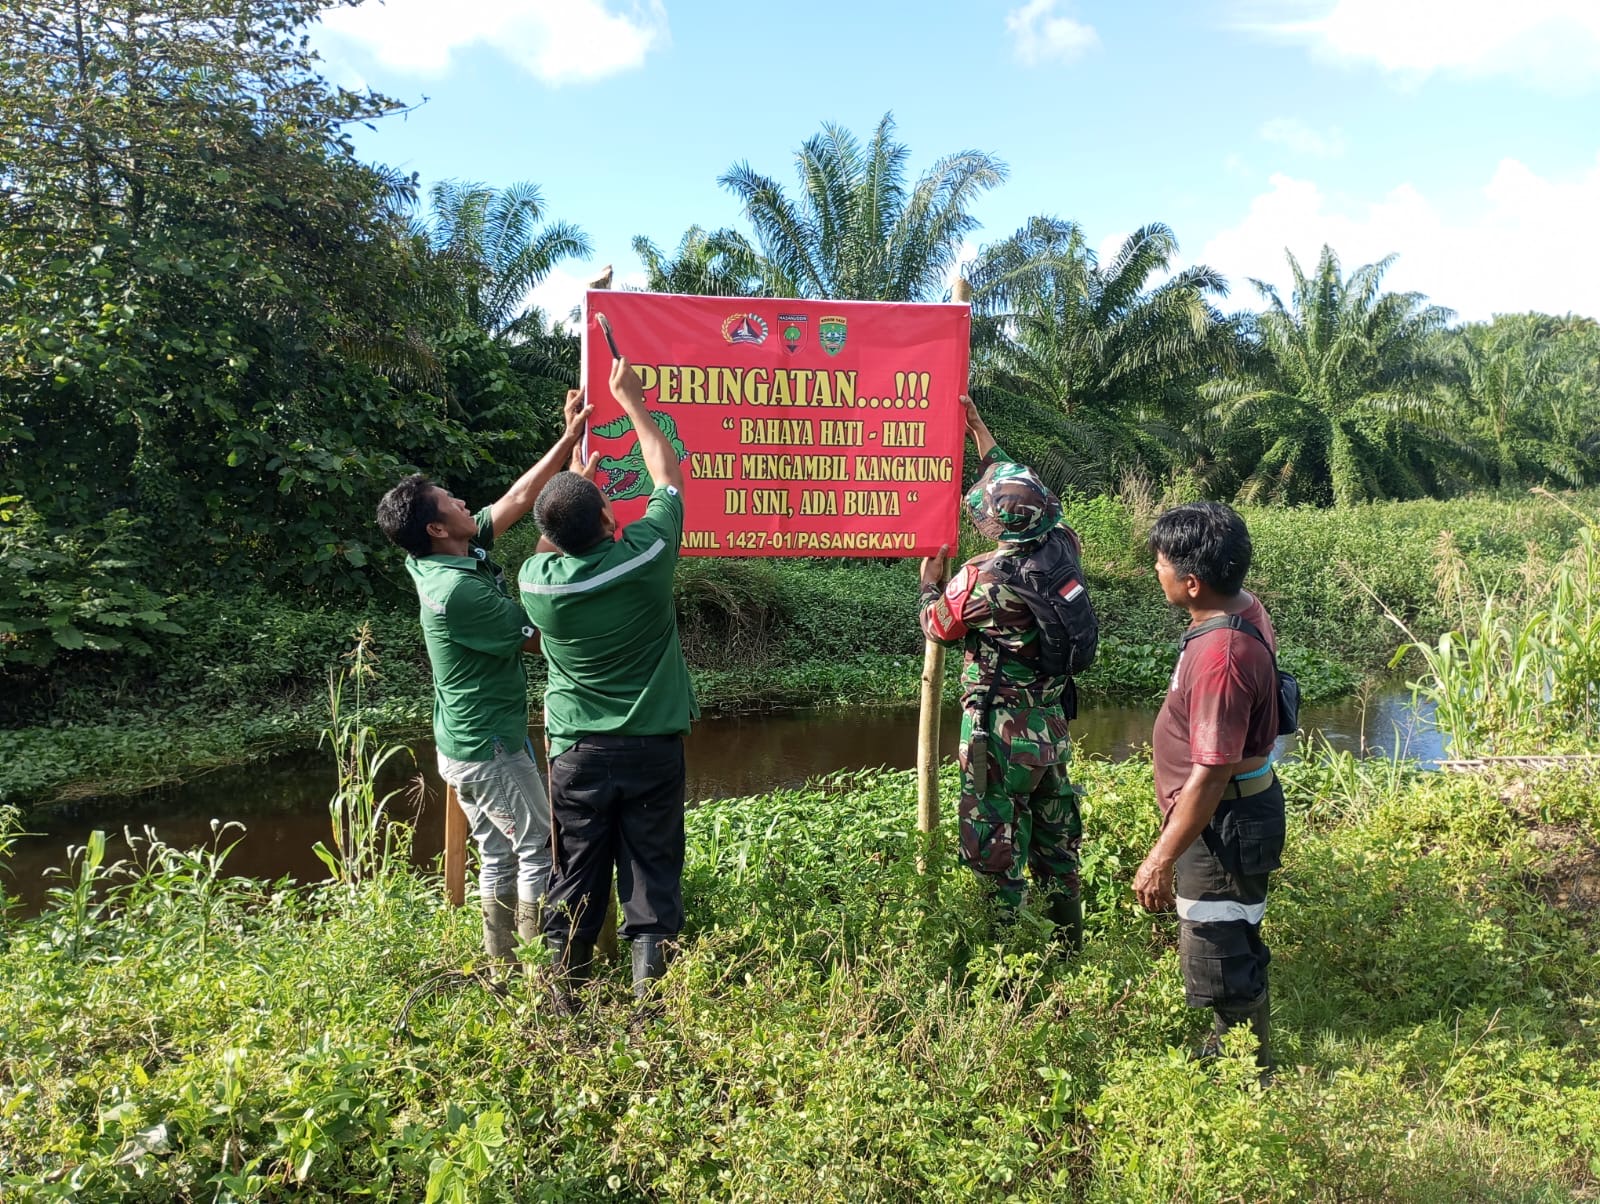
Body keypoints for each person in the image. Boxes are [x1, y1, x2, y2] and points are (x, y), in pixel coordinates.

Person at [375, 391, 591, 971]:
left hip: (471, 738)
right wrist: (566, 516)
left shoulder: (441, 556)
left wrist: (568, 444)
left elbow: (519, 499)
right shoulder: (460, 592)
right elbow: (535, 633)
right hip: (489, 745)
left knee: (497, 853)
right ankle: (540, 973)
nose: (465, 500)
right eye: (451, 499)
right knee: (538, 846)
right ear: (437, 526)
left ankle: (501, 968)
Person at [518, 352, 697, 1005]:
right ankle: (650, 1004)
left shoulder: (537, 582)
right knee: (652, 871)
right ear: (607, 521)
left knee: (577, 871)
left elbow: (550, 536)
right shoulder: (646, 554)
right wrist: (634, 403)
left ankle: (564, 998)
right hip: (651, 746)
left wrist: (571, 484)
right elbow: (667, 471)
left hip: (578, 754)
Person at [918, 395, 1085, 947]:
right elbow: (1015, 483)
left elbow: (938, 626)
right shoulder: (1063, 546)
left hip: (998, 736)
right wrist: (981, 433)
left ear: (995, 524)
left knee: (995, 847)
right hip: (1052, 729)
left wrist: (928, 583)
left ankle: (1001, 968)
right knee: (1058, 848)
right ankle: (1067, 947)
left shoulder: (981, 580)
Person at [1134, 501, 1285, 1076]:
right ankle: (1236, 1049)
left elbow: (1211, 770)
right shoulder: (1239, 609)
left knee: (1218, 942)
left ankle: (1246, 1072)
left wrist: (1159, 859)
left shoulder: (1220, 658)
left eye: (1162, 563)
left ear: (1192, 582)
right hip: (1231, 813)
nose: (1157, 570)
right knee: (1234, 928)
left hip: (1223, 821)